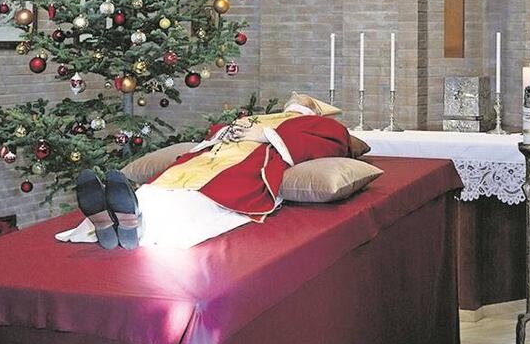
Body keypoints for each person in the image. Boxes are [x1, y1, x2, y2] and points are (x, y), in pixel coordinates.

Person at [58, 94, 351, 249]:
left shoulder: (321, 124)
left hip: (251, 160)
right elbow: (216, 131)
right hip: (212, 155)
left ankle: (129, 224)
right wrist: (228, 132)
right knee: (163, 184)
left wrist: (265, 135)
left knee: (203, 194)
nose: (293, 102)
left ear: (311, 109)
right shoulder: (258, 116)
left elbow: (334, 144)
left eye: (300, 101)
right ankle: (117, 219)